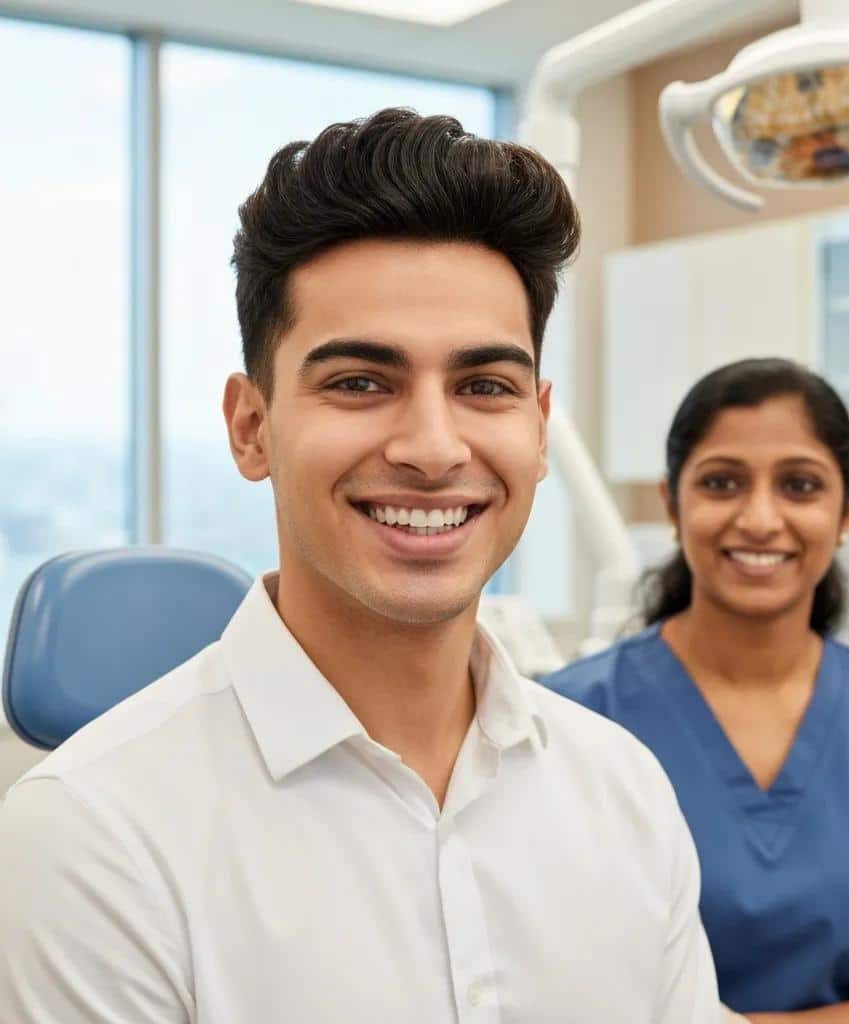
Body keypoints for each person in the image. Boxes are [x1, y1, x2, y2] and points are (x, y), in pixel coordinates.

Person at [0, 110, 719, 1022]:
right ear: (251, 427)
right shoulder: (94, 834)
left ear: (540, 427)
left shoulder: (623, 789)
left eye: (484, 386)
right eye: (359, 383)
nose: (431, 446)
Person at [546, 358, 849, 1023]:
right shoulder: (571, 715)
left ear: (847, 509)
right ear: (674, 503)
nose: (761, 519)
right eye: (722, 482)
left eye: (799, 485)